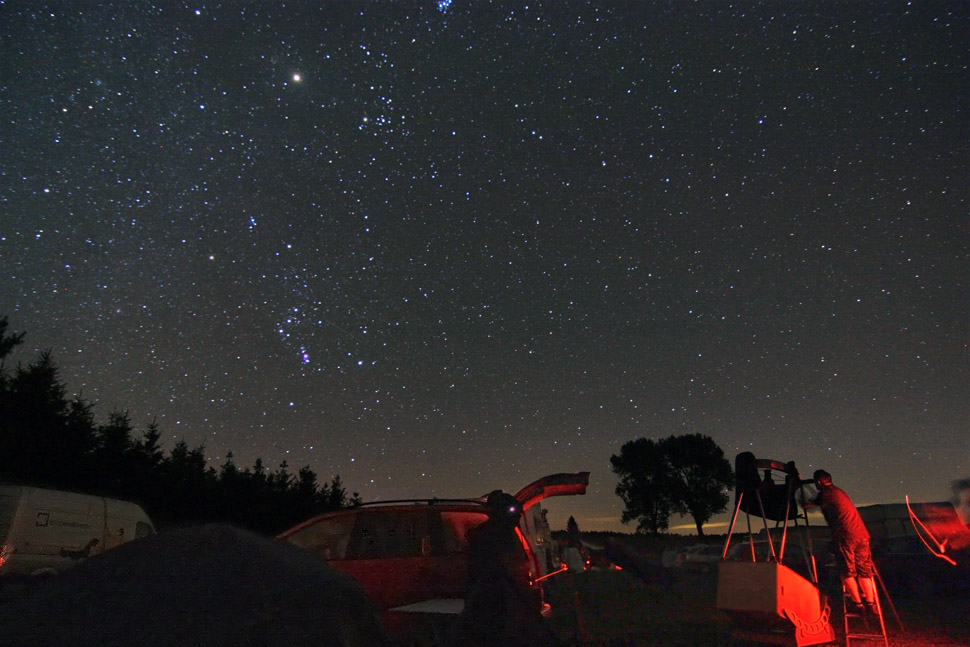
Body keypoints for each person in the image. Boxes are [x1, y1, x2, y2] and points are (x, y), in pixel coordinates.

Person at [811, 469, 877, 613]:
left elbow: (808, 505)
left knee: (847, 572)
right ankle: (871, 604)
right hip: (862, 535)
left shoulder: (826, 493)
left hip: (846, 536)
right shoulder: (840, 492)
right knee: (864, 571)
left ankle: (858, 605)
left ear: (819, 482)